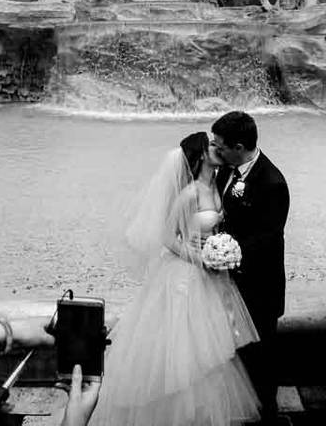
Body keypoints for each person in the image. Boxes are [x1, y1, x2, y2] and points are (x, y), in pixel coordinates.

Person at [89, 131, 260, 426]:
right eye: (212, 145)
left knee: (211, 352)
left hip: (211, 277)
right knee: (185, 348)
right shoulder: (189, 193)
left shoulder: (218, 183)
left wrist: (221, 251)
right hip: (186, 276)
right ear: (200, 156)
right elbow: (167, 237)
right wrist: (202, 258)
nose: (218, 147)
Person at [211, 112, 290, 425]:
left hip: (259, 287)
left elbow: (269, 237)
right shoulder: (226, 170)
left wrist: (227, 252)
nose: (215, 150)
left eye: (220, 145)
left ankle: (266, 414)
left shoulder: (272, 182)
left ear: (239, 146)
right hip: (227, 283)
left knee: (260, 356)